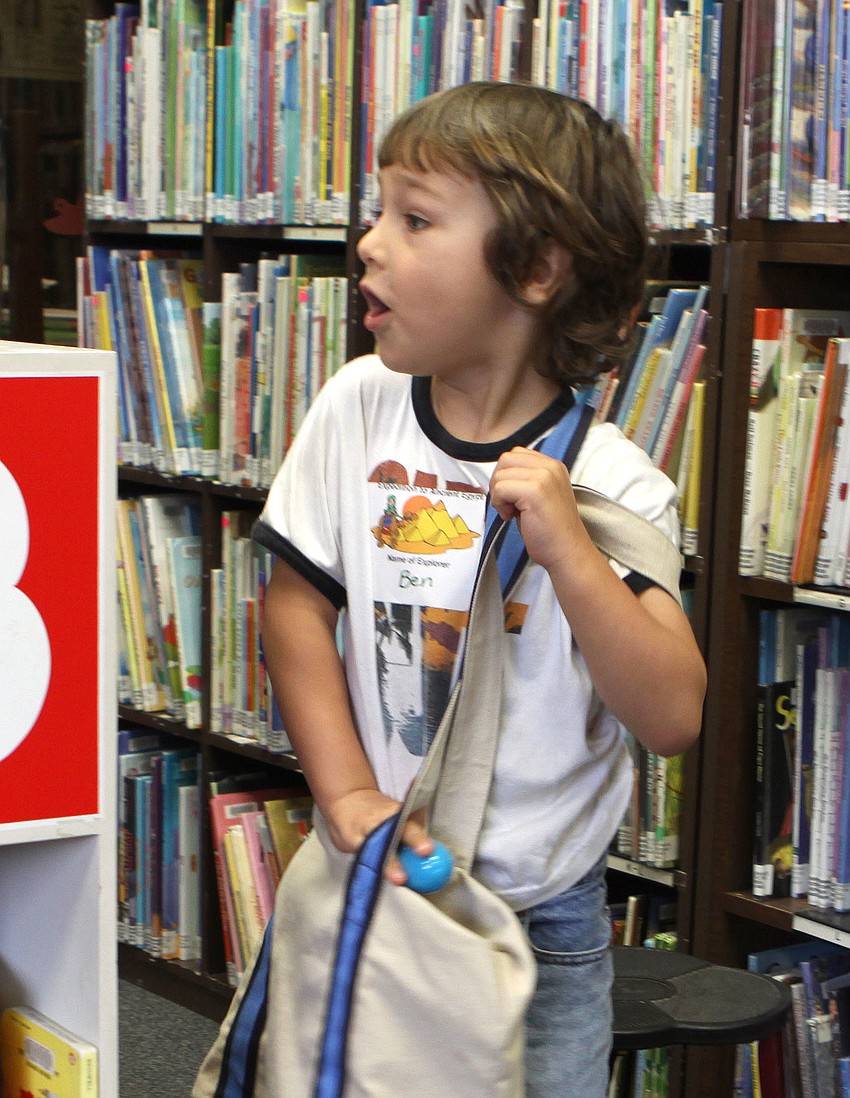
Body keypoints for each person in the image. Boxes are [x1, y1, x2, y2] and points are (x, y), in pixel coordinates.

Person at [254, 80, 707, 1098]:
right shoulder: (356, 408)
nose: (370, 243)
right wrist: (345, 792)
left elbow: (671, 714)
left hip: (538, 930)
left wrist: (570, 553)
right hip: (381, 882)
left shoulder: (616, 484)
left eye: (415, 220)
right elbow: (294, 605)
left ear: (537, 269)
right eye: (379, 212)